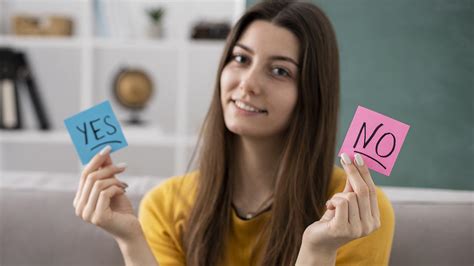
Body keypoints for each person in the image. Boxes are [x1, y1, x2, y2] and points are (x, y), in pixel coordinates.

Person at [73, 1, 395, 265]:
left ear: (312, 93)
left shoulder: (357, 212)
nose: (247, 83)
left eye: (279, 70)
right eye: (241, 58)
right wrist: (130, 240)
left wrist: (318, 250)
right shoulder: (166, 205)